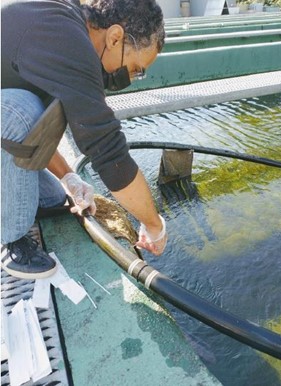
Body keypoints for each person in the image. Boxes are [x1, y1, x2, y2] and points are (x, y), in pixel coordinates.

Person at [1, 0, 168, 280]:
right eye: (136, 69)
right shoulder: (66, 37)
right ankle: (11, 240)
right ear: (115, 37)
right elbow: (106, 149)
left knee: (54, 197)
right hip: (8, 112)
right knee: (24, 107)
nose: (132, 77)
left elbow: (38, 128)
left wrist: (68, 177)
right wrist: (153, 225)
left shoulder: (67, 27)